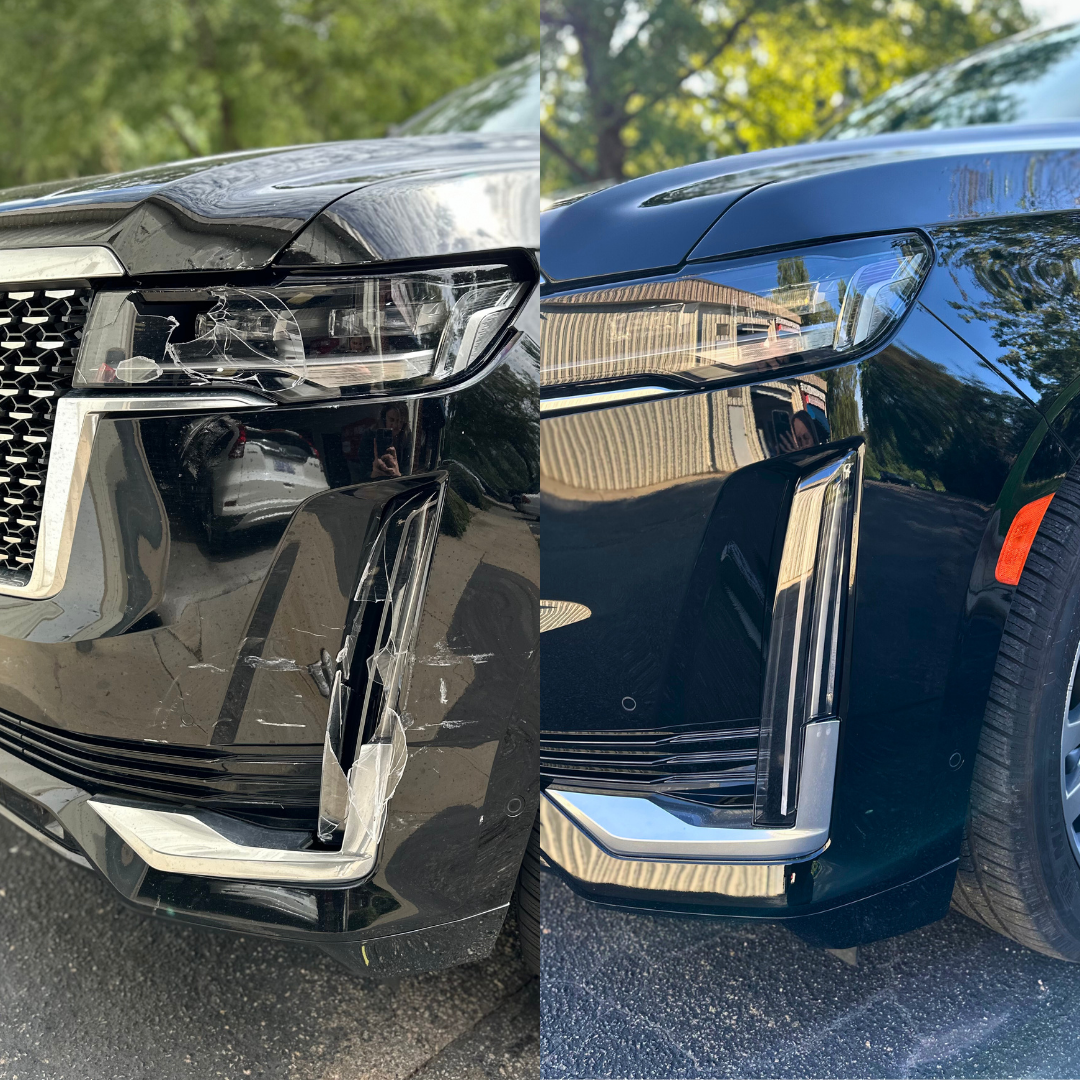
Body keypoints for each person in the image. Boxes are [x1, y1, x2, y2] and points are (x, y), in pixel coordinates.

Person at [371, 403, 412, 478]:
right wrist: (372, 474)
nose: (395, 425)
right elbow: (362, 472)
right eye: (391, 420)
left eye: (400, 421)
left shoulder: (406, 436)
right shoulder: (370, 435)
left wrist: (398, 474)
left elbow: (406, 471)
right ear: (384, 419)